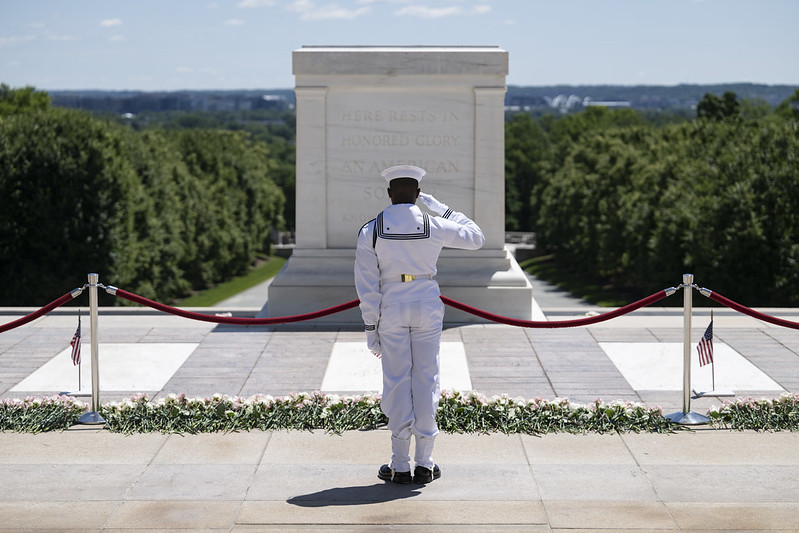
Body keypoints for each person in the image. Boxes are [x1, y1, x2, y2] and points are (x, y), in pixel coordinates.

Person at [354, 164, 485, 484]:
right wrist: (443, 208)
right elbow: (477, 238)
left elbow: (367, 285)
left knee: (397, 381)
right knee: (427, 378)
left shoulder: (370, 230)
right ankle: (425, 462)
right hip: (426, 302)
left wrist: (371, 327)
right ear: (416, 194)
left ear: (389, 194)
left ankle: (399, 463)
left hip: (392, 307)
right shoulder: (435, 223)